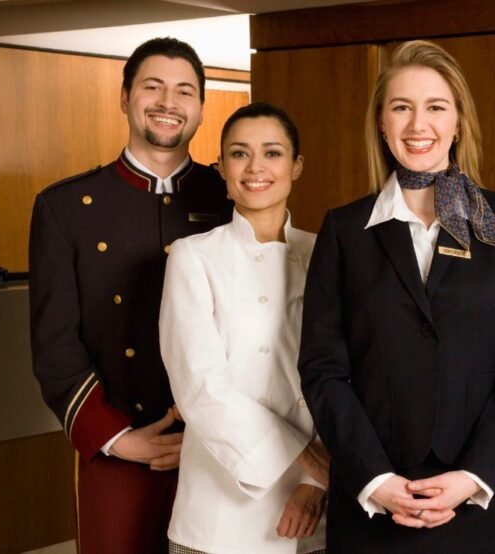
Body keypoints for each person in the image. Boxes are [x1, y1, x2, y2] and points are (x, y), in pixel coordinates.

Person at [297, 40, 495, 553]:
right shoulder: (344, 231)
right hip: (373, 503)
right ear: (381, 123)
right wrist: (375, 480)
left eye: (435, 107)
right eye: (401, 107)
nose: (418, 124)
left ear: (458, 122)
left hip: (479, 503)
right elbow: (323, 370)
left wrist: (473, 476)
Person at [28, 37, 231, 552]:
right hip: (118, 447)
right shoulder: (66, 207)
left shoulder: (230, 198)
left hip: (219, 450)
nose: (168, 102)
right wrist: (116, 438)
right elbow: (54, 345)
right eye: (152, 87)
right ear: (124, 97)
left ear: (201, 107)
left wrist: (216, 433)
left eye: (184, 91)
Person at [159, 102, 328, 554]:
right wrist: (307, 458)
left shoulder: (326, 254)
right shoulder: (193, 257)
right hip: (221, 514)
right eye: (239, 153)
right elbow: (199, 388)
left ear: (296, 166)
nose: (255, 167)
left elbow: (349, 375)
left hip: (316, 509)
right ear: (221, 168)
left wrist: (315, 482)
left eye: (272, 153)